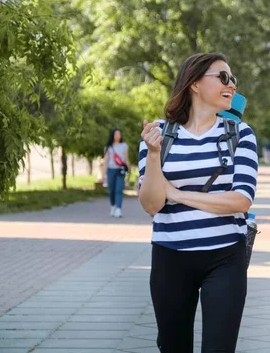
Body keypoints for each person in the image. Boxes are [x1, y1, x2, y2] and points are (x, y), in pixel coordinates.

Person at [138, 53, 258, 352]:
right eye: (223, 77)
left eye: (233, 79)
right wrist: (153, 156)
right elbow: (152, 204)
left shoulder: (240, 134)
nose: (231, 84)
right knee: (172, 345)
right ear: (193, 83)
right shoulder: (158, 134)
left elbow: (240, 200)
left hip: (225, 257)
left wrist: (176, 195)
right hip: (169, 256)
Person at [102, 127, 128, 218]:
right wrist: (103, 175)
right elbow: (105, 161)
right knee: (111, 191)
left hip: (120, 170)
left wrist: (129, 169)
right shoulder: (108, 147)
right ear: (112, 135)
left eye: (119, 134)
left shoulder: (124, 146)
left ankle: (118, 209)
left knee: (119, 190)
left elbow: (126, 158)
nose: (118, 136)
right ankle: (113, 206)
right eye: (116, 134)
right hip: (111, 170)